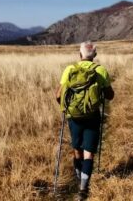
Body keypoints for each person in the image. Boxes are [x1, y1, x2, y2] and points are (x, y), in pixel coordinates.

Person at [55, 41, 114, 200]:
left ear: (79, 55)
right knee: (89, 154)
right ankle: (83, 188)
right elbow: (110, 96)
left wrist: (67, 107)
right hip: (92, 116)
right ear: (94, 55)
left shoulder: (69, 69)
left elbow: (58, 95)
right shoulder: (100, 70)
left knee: (77, 149)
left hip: (73, 117)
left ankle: (78, 175)